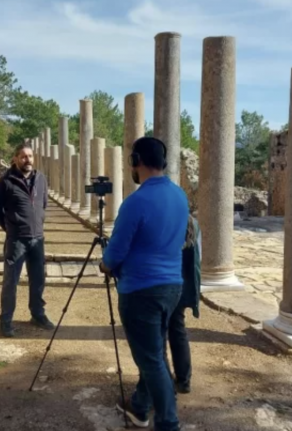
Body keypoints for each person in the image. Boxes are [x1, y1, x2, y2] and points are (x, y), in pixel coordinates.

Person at [100, 137, 189, 431]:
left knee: (151, 360)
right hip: (172, 287)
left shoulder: (136, 202)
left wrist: (104, 264)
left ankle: (168, 422)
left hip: (140, 290)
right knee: (154, 351)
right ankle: (139, 405)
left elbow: (115, 252)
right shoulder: (180, 196)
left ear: (136, 161)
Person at [0, 142, 54, 337]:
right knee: (11, 281)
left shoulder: (41, 178)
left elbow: (43, 204)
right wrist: (11, 228)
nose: (28, 160)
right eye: (24, 156)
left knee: (38, 279)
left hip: (37, 238)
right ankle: (6, 320)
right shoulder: (6, 181)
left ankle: (37, 314)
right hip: (17, 240)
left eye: (30, 156)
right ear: (15, 159)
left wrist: (37, 223)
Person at [165, 213, 202, 394]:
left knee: (157, 334)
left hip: (164, 282)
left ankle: (162, 382)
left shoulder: (167, 220)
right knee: (178, 330)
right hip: (182, 284)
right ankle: (184, 380)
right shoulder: (192, 223)